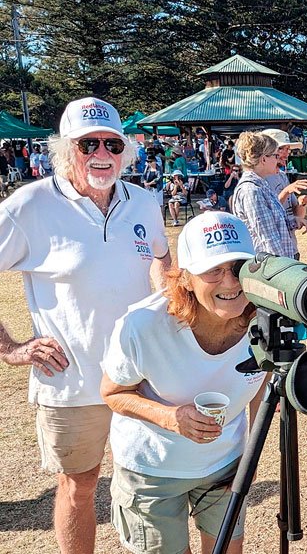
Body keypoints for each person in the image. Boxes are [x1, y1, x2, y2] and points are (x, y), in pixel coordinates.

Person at [0, 96, 170, 554]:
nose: (102, 154)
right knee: (80, 486)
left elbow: (160, 259)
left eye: (113, 144)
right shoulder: (30, 204)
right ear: (64, 149)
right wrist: (12, 348)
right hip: (72, 381)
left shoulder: (144, 201)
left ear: (125, 149)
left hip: (145, 377)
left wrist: (166, 289)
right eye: (88, 143)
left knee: (152, 482)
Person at [101, 211, 265, 554]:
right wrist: (170, 417)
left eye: (237, 267)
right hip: (152, 471)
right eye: (213, 271)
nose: (230, 283)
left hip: (224, 466)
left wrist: (249, 454)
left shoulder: (264, 321)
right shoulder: (142, 325)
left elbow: (260, 384)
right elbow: (113, 392)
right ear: (185, 278)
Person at [231, 131, 302, 259]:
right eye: (275, 155)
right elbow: (268, 240)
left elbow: (271, 224)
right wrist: (287, 270)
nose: (278, 159)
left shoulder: (260, 186)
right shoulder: (252, 191)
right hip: (273, 268)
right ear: (263, 159)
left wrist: (292, 221)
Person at [260, 129, 307, 259]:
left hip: (291, 248)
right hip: (273, 253)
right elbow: (268, 216)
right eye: (281, 149)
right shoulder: (259, 180)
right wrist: (286, 191)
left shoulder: (282, 176)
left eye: (288, 149)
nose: (286, 154)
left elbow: (296, 215)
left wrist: (302, 203)